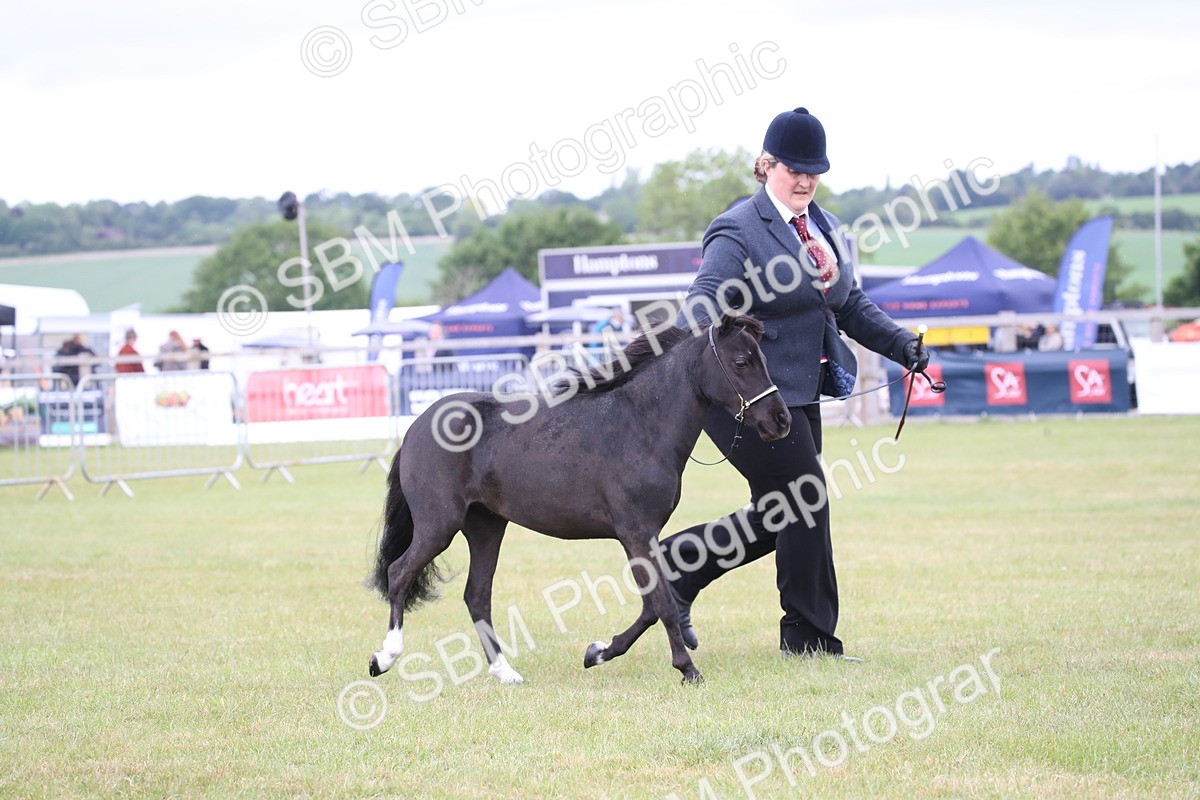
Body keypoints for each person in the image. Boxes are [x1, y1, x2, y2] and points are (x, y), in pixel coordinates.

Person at [657, 107, 929, 661]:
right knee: (807, 501)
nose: (805, 180)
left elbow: (846, 303)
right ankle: (807, 639)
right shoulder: (738, 230)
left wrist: (903, 345)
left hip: (800, 393)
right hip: (743, 398)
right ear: (767, 166)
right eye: (793, 169)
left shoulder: (823, 227)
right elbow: (701, 304)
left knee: (783, 510)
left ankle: (678, 568)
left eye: (814, 171)